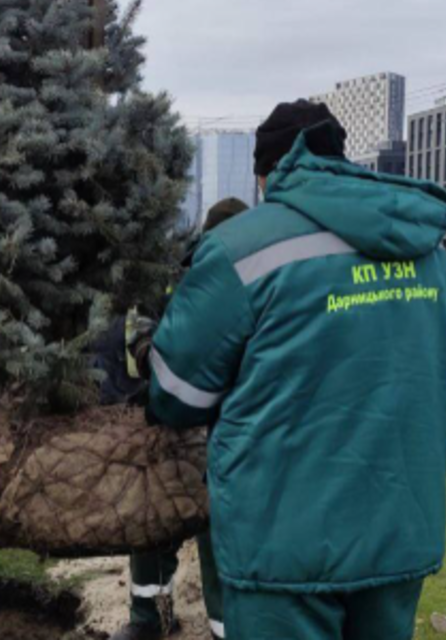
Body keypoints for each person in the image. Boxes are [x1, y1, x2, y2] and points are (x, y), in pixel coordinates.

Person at [148, 100, 446, 640]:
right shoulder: (428, 250)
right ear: (340, 160)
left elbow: (176, 394)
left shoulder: (241, 249)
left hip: (283, 549)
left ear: (267, 174)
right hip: (399, 532)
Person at [111, 198, 249, 640]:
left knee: (216, 524)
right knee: (151, 515)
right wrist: (149, 355)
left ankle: (225, 627)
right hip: (170, 416)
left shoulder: (249, 273)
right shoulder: (176, 269)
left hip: (224, 422)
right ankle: (148, 617)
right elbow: (138, 323)